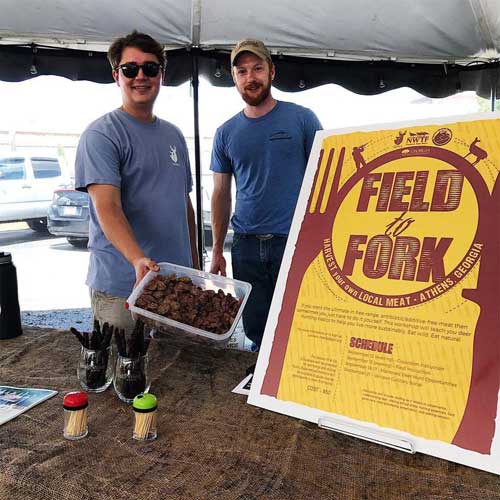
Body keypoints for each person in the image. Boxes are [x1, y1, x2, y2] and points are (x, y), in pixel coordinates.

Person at [75, 30, 199, 334]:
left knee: (179, 374)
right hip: (123, 286)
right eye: (130, 69)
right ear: (117, 75)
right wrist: (137, 259)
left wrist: (195, 267)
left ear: (162, 75)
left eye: (150, 68)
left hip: (176, 286)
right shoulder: (102, 134)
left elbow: (184, 205)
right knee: (124, 372)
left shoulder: (174, 135)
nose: (140, 76)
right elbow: (107, 207)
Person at [210, 38, 322, 350]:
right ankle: (257, 389)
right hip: (245, 246)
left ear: (272, 72)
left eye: (257, 68)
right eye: (242, 71)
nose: (251, 77)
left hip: (294, 241)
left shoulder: (302, 119)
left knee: (299, 328)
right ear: (234, 79)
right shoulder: (226, 132)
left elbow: (324, 178)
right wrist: (218, 249)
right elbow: (220, 193)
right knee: (257, 331)